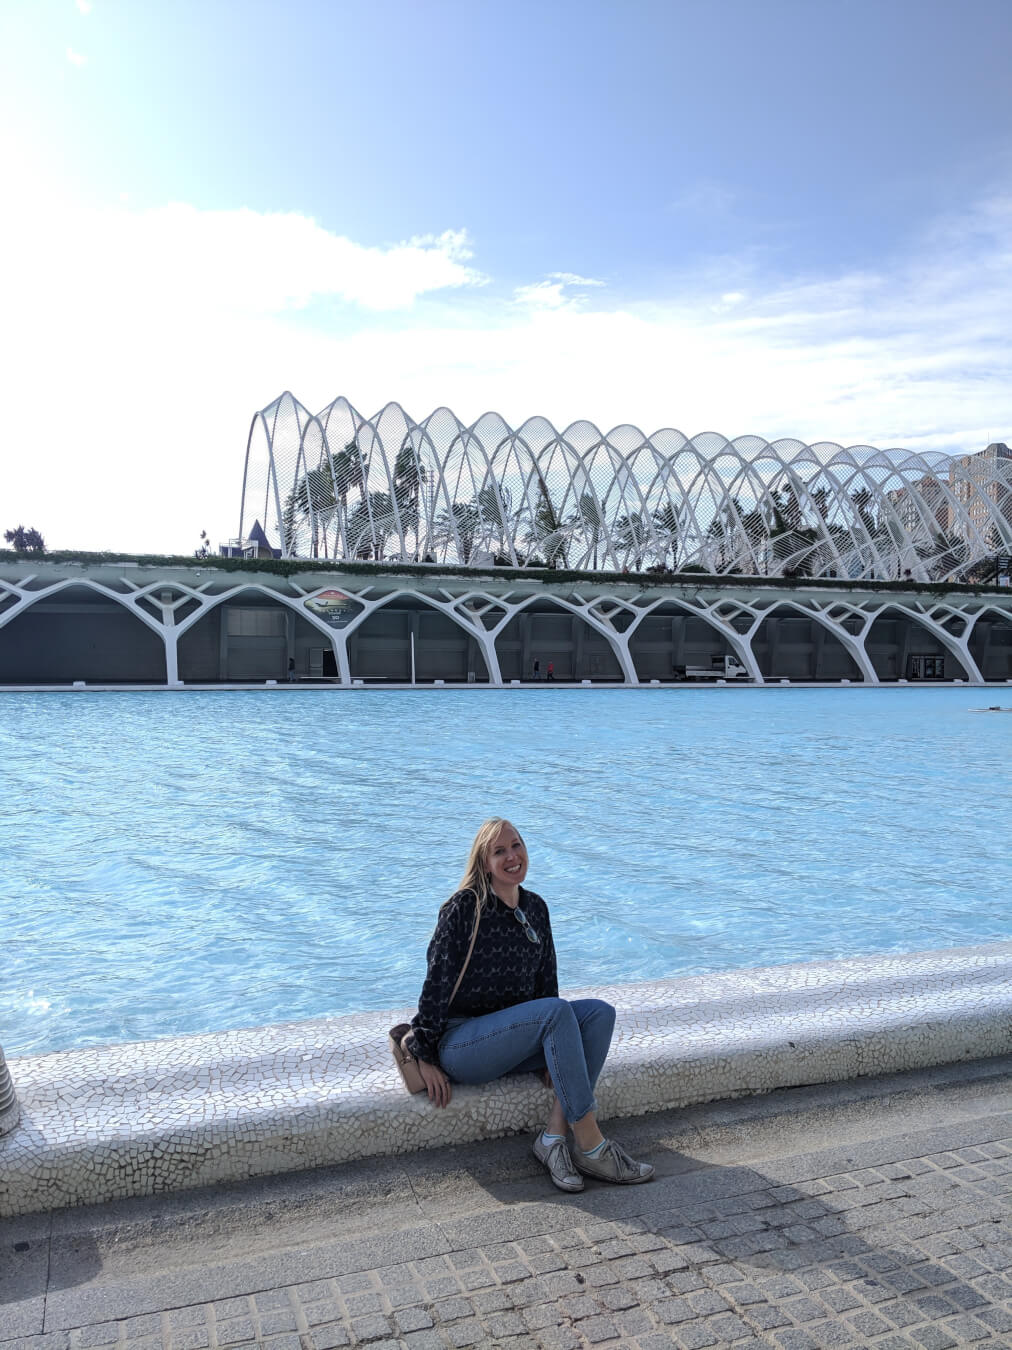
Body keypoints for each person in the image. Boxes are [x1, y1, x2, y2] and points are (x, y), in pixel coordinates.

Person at [402, 818, 653, 1191]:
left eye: (516, 845)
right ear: (484, 862)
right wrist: (424, 1055)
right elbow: (435, 984)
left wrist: (559, 1051)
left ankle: (552, 1139)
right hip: (463, 1045)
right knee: (556, 1012)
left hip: (516, 1043)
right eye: (499, 851)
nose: (511, 857)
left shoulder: (535, 908)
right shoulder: (464, 909)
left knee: (599, 1013)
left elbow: (546, 988)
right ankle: (590, 1144)